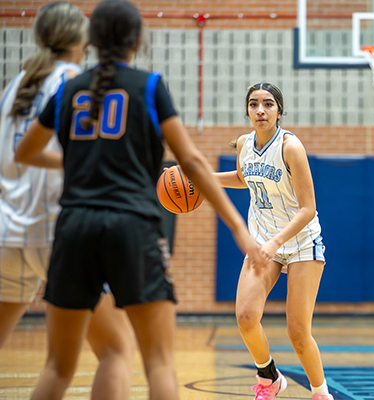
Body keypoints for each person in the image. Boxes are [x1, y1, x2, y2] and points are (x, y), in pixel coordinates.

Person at [15, 1, 267, 399]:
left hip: (74, 228)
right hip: (131, 227)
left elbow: (25, 152)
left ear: (92, 41)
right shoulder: (149, 87)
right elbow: (192, 162)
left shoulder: (68, 90)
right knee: (158, 363)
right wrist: (238, 227)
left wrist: (80, 160)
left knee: (57, 367)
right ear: (139, 40)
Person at [0, 3, 136, 399]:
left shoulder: (15, 84)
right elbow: (92, 153)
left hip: (8, 230)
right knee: (115, 349)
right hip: (60, 230)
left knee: (58, 363)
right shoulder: (75, 81)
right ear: (82, 39)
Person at [215, 82, 333, 400]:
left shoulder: (290, 147)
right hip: (264, 239)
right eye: (253, 104)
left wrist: (275, 242)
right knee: (246, 317)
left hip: (301, 242)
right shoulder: (244, 144)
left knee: (297, 332)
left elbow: (309, 209)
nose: (260, 110)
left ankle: (321, 393)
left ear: (279, 110)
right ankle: (269, 377)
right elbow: (243, 177)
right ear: (247, 110)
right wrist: (204, 180)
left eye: (268, 104)